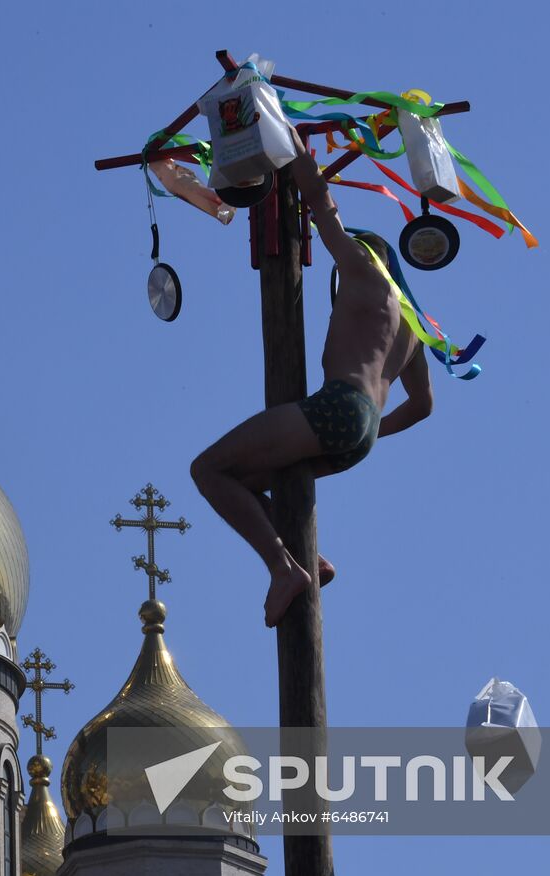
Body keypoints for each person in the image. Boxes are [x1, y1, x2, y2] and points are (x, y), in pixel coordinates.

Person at [190, 124, 435, 627]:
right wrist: (373, 426)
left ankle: (284, 568)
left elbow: (322, 207)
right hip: (357, 433)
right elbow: (424, 404)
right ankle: (307, 555)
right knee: (246, 482)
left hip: (337, 408)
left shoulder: (363, 269)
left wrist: (292, 146)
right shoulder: (409, 327)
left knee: (208, 470)